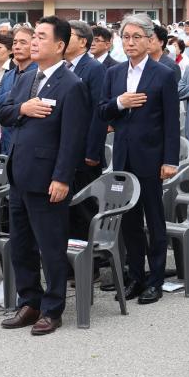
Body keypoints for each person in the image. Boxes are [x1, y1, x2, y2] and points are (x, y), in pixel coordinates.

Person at [0, 16, 90, 335]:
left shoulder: (71, 84)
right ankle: (29, 301)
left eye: (40, 37)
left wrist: (62, 178)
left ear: (60, 45)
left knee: (50, 246)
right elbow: (4, 113)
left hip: (48, 177)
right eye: (32, 36)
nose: (33, 42)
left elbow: (72, 137)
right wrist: (23, 109)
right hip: (20, 173)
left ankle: (52, 308)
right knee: (21, 244)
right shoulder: (24, 77)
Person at [102, 13, 180, 305]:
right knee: (129, 221)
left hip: (152, 158)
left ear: (150, 40)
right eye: (126, 37)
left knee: (154, 220)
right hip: (123, 157)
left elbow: (172, 122)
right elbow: (102, 111)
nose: (130, 42)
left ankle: (155, 279)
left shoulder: (163, 74)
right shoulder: (114, 73)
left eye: (137, 37)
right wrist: (120, 102)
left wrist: (170, 160)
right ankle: (135, 275)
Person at [64, 20, 109, 241]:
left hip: (85, 153)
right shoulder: (63, 66)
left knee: (85, 207)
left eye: (68, 34)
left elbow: (98, 113)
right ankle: (73, 264)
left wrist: (92, 151)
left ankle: (92, 265)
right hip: (67, 150)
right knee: (69, 207)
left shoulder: (94, 68)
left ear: (83, 41)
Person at [0, 26, 36, 155]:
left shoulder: (39, 75)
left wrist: (10, 102)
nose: (17, 47)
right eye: (15, 43)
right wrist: (18, 95)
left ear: (34, 45)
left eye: (23, 43)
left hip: (28, 146)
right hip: (7, 144)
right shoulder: (8, 75)